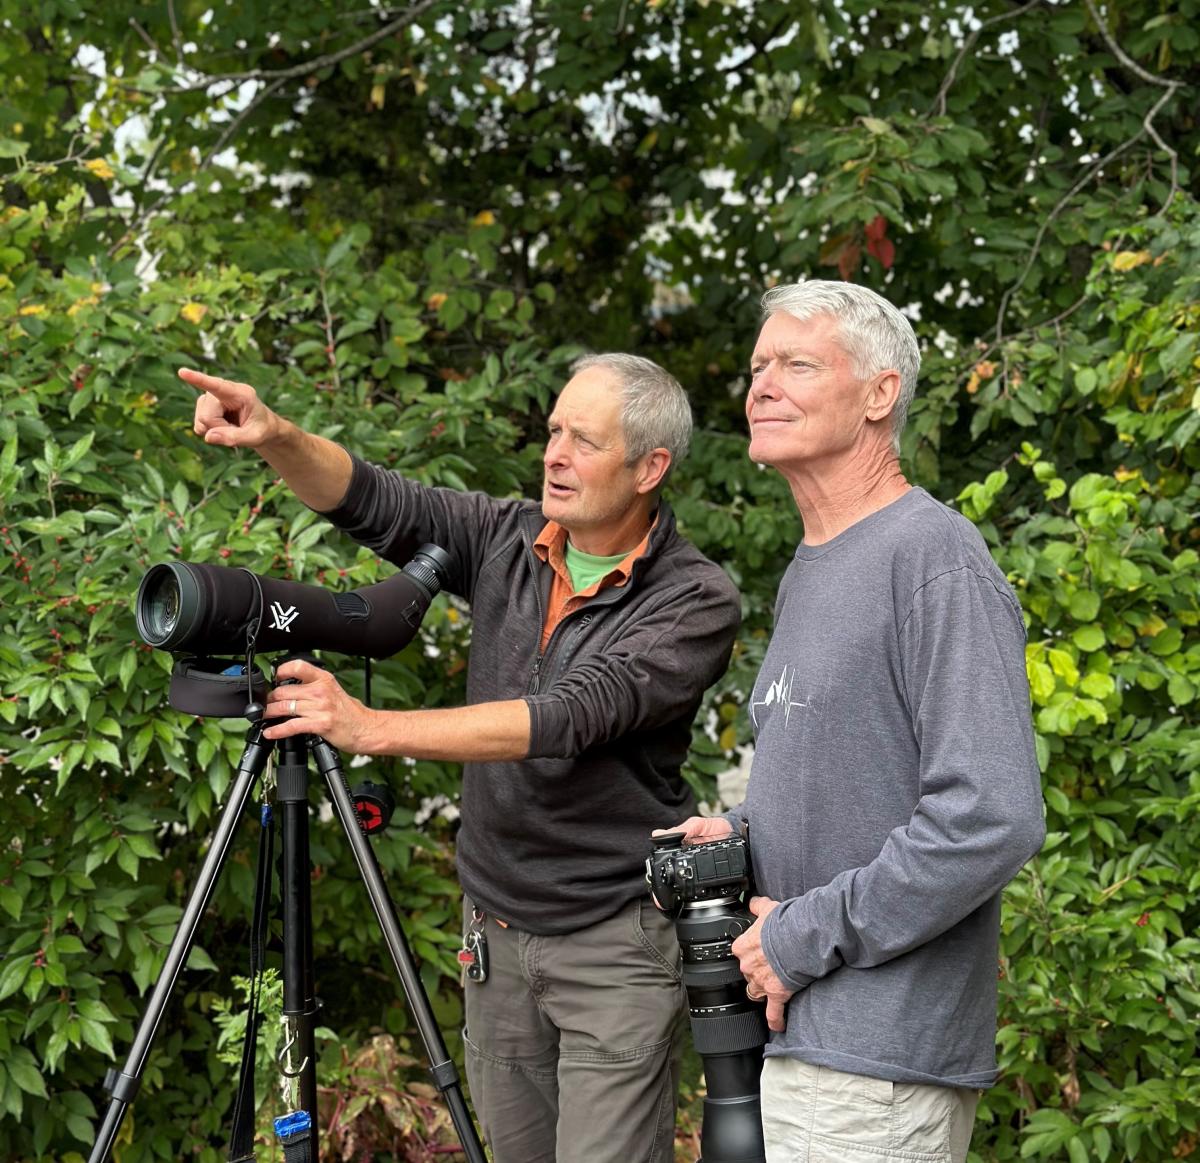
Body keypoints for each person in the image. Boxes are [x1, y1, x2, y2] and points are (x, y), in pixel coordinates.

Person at [182, 352, 741, 1163]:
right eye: (553, 430)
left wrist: (370, 727)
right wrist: (275, 435)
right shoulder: (508, 536)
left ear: (650, 466)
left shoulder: (694, 599)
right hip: (497, 937)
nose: (553, 454)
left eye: (583, 441)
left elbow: (569, 715)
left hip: (613, 943)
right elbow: (376, 500)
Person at [666, 281, 1045, 1163]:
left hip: (878, 1060)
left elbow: (991, 816)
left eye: (797, 364)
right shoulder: (814, 567)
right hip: (803, 1039)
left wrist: (798, 935)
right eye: (758, 367)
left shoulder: (932, 556)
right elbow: (861, 780)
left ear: (881, 394)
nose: (761, 385)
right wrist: (742, 835)